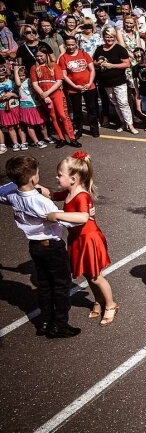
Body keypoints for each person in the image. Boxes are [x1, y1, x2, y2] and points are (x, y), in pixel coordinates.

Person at [0, 156, 80, 338]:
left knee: (44, 285)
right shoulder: (41, 202)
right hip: (52, 246)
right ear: (33, 178)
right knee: (60, 286)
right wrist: (84, 215)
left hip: (35, 246)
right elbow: (69, 222)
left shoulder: (12, 194)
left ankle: (45, 321)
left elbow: (2, 192)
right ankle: (59, 324)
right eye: (37, 173)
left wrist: (14, 184)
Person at [45, 152, 118, 327]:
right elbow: (52, 195)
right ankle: (98, 300)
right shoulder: (69, 192)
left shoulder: (82, 196)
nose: (57, 177)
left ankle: (111, 304)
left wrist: (57, 215)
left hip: (88, 239)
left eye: (60, 175)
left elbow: (84, 217)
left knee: (95, 276)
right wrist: (32, 186)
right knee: (88, 274)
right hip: (77, 238)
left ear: (73, 179)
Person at [30, 46, 80, 148]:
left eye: (41, 56)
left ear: (46, 55)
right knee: (53, 117)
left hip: (56, 94)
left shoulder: (54, 65)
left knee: (63, 115)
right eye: (37, 56)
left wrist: (47, 92)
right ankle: (61, 138)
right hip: (45, 97)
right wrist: (44, 96)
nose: (39, 58)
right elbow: (35, 84)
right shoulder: (34, 68)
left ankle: (72, 138)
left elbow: (59, 81)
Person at [93, 27, 137, 134]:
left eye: (111, 37)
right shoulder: (99, 49)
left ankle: (130, 125)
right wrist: (98, 63)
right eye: (107, 37)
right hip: (106, 82)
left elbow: (127, 64)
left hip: (119, 81)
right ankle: (123, 123)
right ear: (103, 37)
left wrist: (112, 66)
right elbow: (93, 61)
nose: (109, 39)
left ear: (115, 37)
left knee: (123, 103)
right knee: (115, 103)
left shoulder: (120, 49)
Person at [58, 35, 98, 139]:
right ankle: (78, 130)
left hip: (89, 86)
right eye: (68, 45)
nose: (70, 47)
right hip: (74, 89)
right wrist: (75, 86)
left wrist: (89, 83)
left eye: (72, 44)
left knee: (91, 109)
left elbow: (92, 70)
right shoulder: (63, 58)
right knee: (77, 111)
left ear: (76, 44)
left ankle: (94, 129)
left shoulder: (84, 54)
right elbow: (64, 75)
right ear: (65, 45)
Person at [13, 64, 49, 147]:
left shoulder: (29, 80)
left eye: (23, 75)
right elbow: (18, 84)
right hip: (25, 106)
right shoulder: (16, 83)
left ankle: (46, 137)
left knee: (42, 123)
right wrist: (15, 71)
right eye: (19, 75)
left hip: (36, 105)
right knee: (29, 125)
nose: (22, 77)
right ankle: (36, 142)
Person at [0, 64, 24, 152]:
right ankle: (15, 143)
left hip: (14, 106)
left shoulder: (11, 82)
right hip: (3, 108)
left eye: (2, 74)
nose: (1, 76)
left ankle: (23, 142)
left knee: (19, 125)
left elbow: (19, 94)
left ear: (6, 74)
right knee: (10, 127)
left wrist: (12, 94)